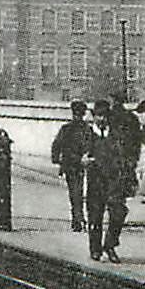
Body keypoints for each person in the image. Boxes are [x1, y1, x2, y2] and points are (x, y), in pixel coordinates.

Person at [83, 97, 130, 263]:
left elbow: (124, 155)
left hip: (114, 181)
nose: (102, 119)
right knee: (95, 217)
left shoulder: (116, 135)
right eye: (99, 116)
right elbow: (72, 154)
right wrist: (82, 161)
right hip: (95, 182)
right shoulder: (87, 134)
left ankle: (110, 245)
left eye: (104, 116)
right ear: (93, 116)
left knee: (118, 213)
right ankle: (95, 249)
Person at [49, 99, 92, 232]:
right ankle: (78, 218)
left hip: (71, 164)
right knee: (78, 192)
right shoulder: (86, 129)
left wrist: (57, 160)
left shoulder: (67, 128)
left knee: (75, 193)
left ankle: (77, 219)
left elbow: (56, 145)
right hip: (78, 165)